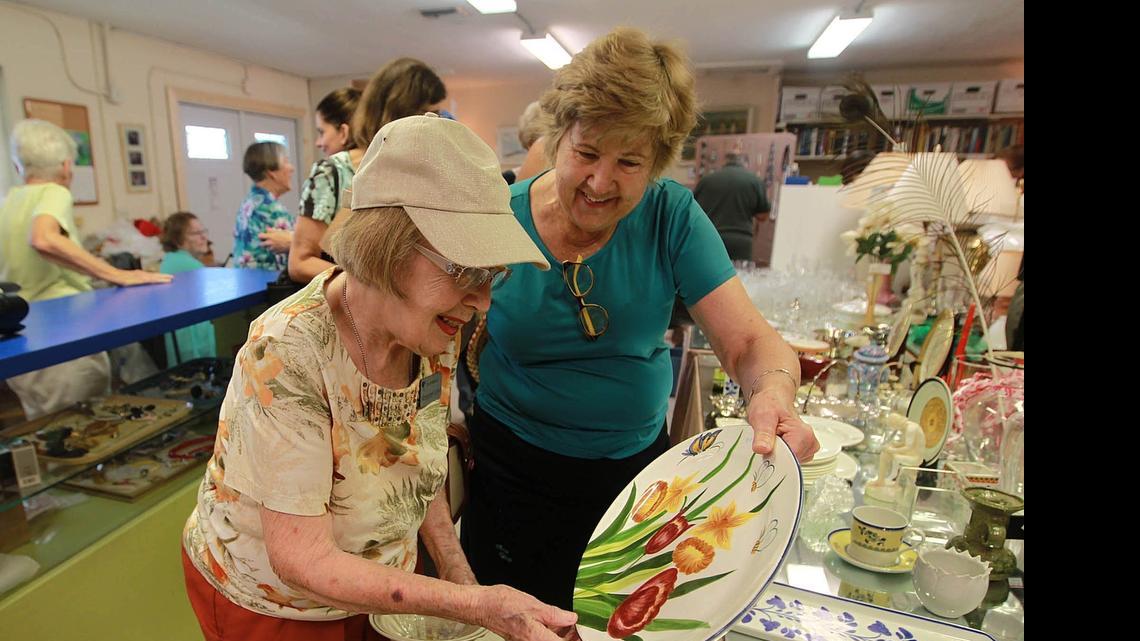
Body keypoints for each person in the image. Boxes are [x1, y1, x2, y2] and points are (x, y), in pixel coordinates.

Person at [460, 27, 820, 610]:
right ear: (558, 139)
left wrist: (773, 391)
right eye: (586, 154)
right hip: (512, 471)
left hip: (634, 482)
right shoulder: (501, 218)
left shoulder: (671, 215)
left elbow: (750, 340)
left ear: (658, 163)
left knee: (619, 618)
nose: (601, 183)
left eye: (629, 161)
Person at [181, 113, 577, 641]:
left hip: (378, 587)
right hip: (277, 606)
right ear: (387, 247)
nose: (482, 300)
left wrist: (458, 573)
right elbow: (302, 559)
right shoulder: (286, 352)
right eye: (466, 269)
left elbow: (414, 460)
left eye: (493, 275)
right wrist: (471, 603)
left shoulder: (431, 330)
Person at [0, 119, 171, 419]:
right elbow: (43, 239)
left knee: (48, 431)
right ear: (67, 167)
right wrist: (119, 275)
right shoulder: (54, 192)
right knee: (87, 429)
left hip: (24, 339)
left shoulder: (9, 201)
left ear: (19, 167)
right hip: (63, 337)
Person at [289, 60, 447, 286]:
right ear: (398, 113)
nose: (436, 123)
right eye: (428, 113)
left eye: (438, 113)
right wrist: (375, 286)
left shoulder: (422, 171)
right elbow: (300, 262)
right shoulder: (335, 171)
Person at [693, 144, 771, 262]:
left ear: (724, 162)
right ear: (745, 163)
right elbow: (763, 216)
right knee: (740, 276)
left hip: (711, 238)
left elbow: (694, 212)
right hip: (741, 240)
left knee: (711, 278)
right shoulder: (755, 181)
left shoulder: (706, 181)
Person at [159, 212, 217, 364]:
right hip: (193, 344)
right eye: (196, 233)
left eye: (203, 231)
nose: (204, 237)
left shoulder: (171, 260)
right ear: (178, 240)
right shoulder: (190, 267)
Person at [233, 141, 295, 270]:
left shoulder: (251, 202)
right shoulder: (270, 209)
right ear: (271, 172)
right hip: (268, 285)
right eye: (286, 162)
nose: (291, 168)